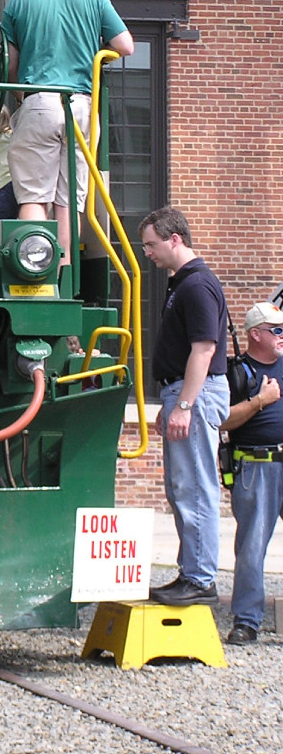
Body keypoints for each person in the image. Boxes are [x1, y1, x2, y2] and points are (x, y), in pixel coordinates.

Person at [0, 0, 133, 266]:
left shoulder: (19, 2)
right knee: (69, 200)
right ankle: (63, 272)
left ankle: (34, 272)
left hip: (39, 102)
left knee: (33, 195)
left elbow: (11, 66)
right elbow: (126, 46)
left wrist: (20, 98)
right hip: (83, 106)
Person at [140, 206, 230, 605]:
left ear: (175, 239)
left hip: (197, 392)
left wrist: (185, 404)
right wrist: (173, 400)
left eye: (151, 245)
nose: (148, 253)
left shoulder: (197, 287)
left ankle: (200, 579)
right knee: (183, 488)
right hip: (185, 391)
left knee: (194, 487)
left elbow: (204, 350)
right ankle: (192, 572)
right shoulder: (184, 284)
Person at [220, 302, 283, 644]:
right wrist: (261, 400)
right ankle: (247, 620)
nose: (282, 335)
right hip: (256, 466)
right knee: (252, 547)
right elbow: (222, 420)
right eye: (276, 330)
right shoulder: (237, 373)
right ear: (255, 334)